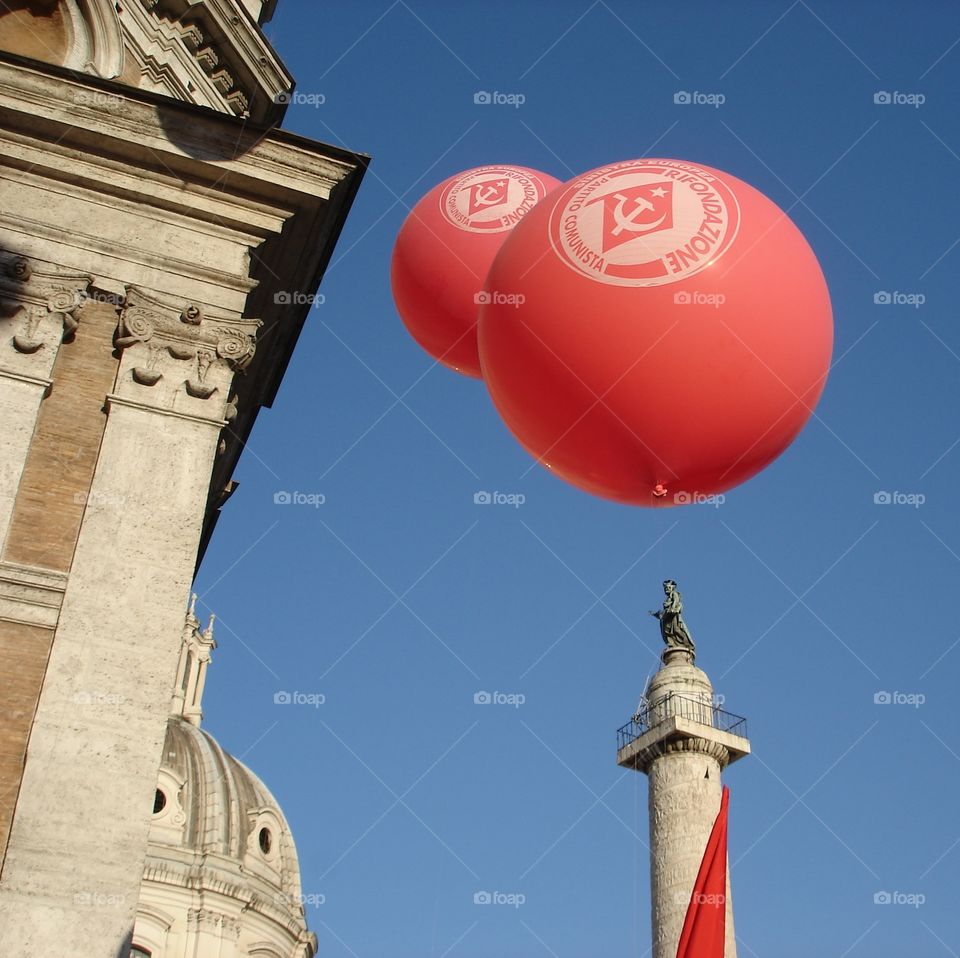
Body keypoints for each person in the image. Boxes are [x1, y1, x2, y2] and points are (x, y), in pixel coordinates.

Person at [649, 580, 695, 652]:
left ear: (672, 588)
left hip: (673, 615)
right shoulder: (668, 598)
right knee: (667, 631)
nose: (666, 589)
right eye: (665, 588)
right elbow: (663, 612)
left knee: (676, 629)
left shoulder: (674, 594)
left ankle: (686, 643)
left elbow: (676, 601)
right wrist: (655, 614)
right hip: (668, 616)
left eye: (668, 587)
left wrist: (673, 608)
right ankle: (672, 643)